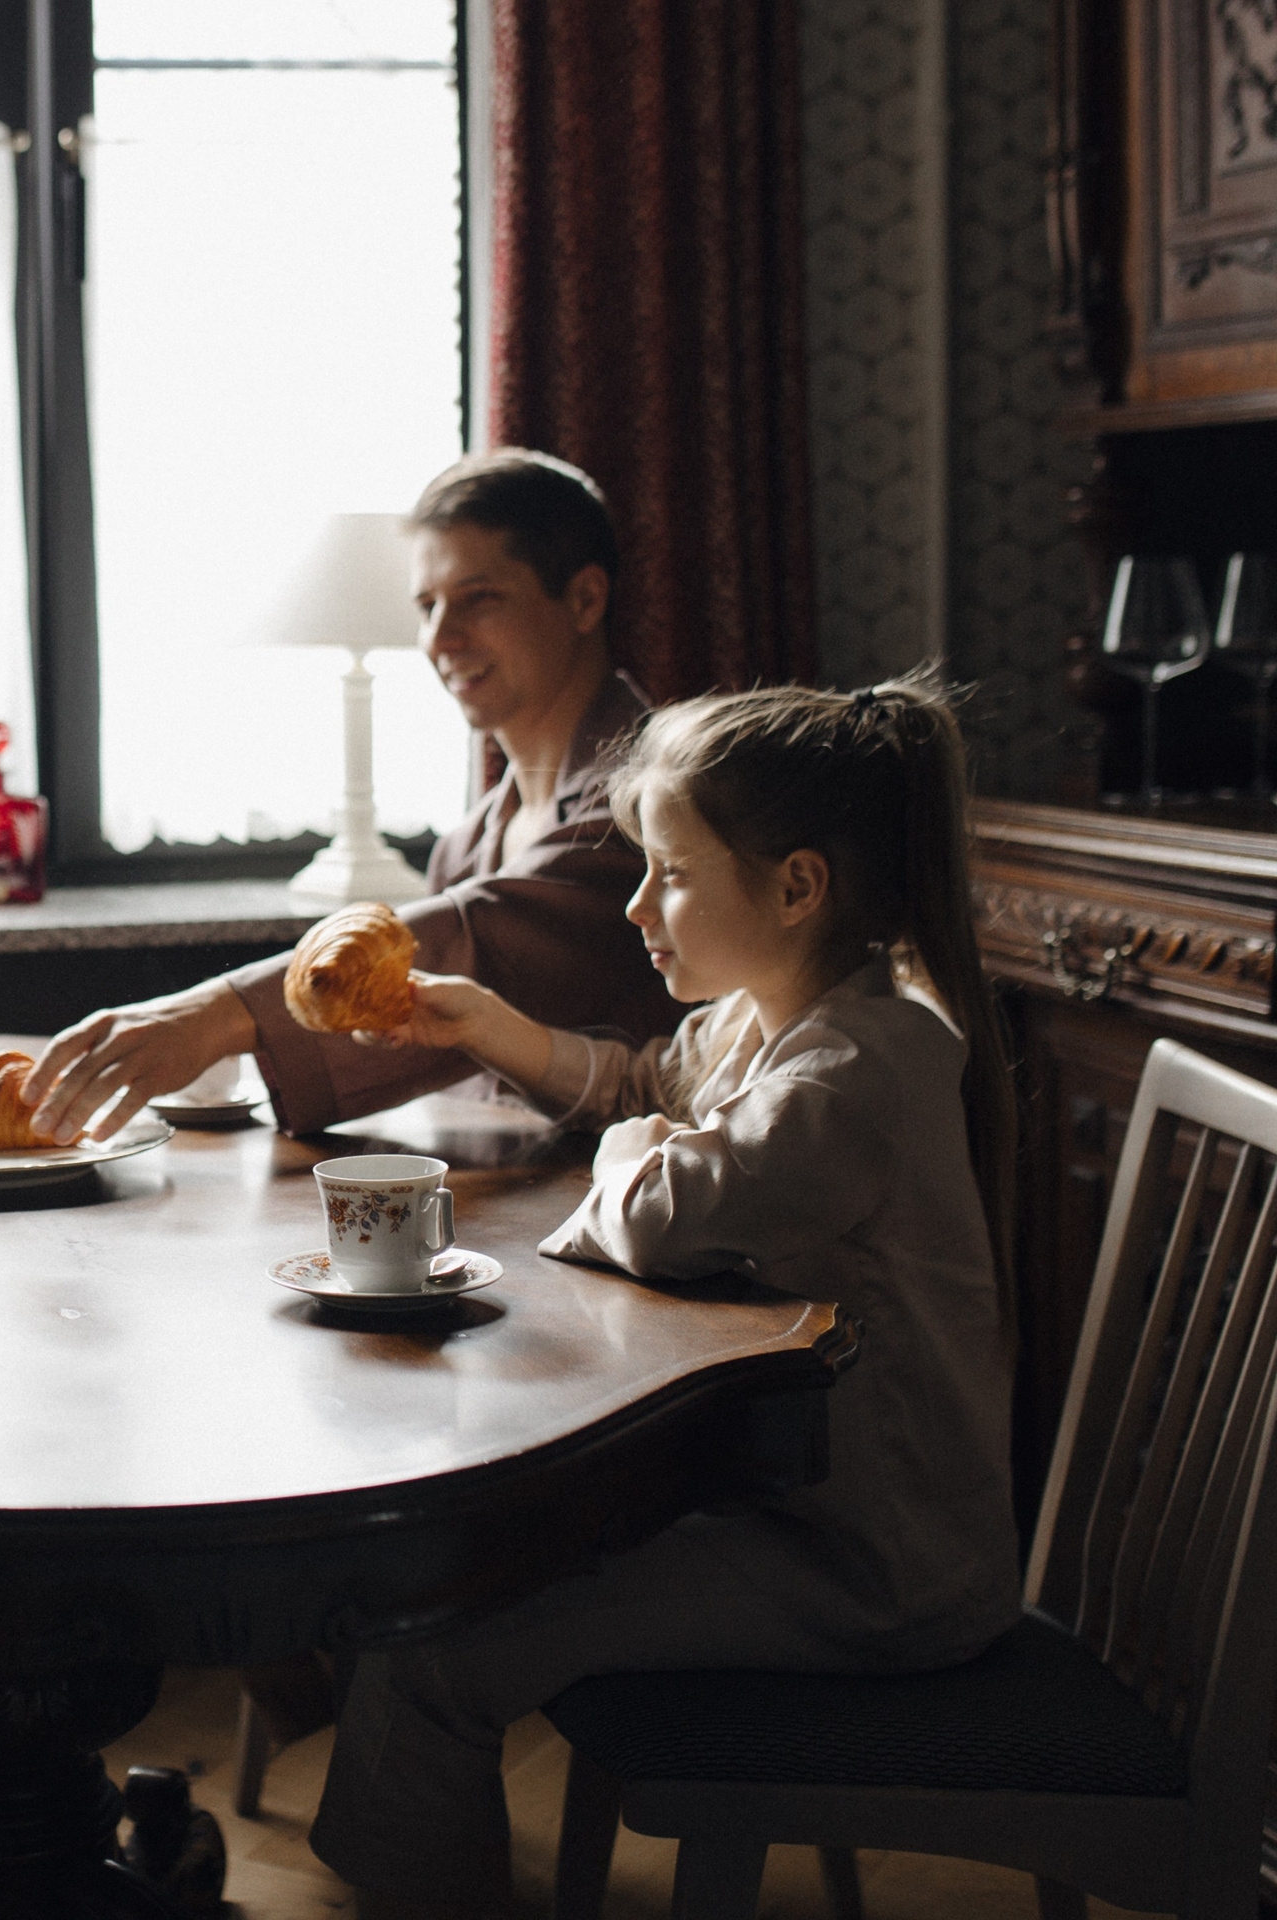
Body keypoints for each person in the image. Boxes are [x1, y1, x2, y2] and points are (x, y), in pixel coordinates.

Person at [305, 673, 1020, 1918]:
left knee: (431, 1645)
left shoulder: (854, 1074)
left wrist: (635, 1153)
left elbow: (651, 1211)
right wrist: (487, 1029)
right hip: (802, 1514)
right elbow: (644, 1088)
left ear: (797, 887)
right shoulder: (770, 1021)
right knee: (437, 1586)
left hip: (871, 1570)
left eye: (671, 874)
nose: (638, 905)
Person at [23, 449, 678, 1146]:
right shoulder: (467, 843)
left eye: (479, 598)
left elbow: (486, 939)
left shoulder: (664, 805)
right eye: (427, 606)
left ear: (584, 600)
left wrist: (214, 1016)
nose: (440, 637)